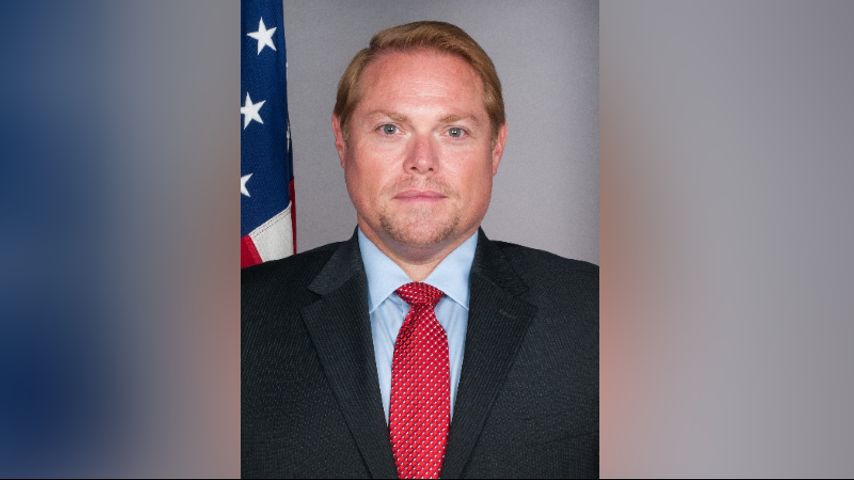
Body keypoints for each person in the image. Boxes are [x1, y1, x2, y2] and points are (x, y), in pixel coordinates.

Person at [242, 21, 597, 479]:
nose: (422, 162)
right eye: (390, 128)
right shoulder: (236, 319)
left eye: (454, 132)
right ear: (342, 141)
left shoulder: (600, 314)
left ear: (495, 148)